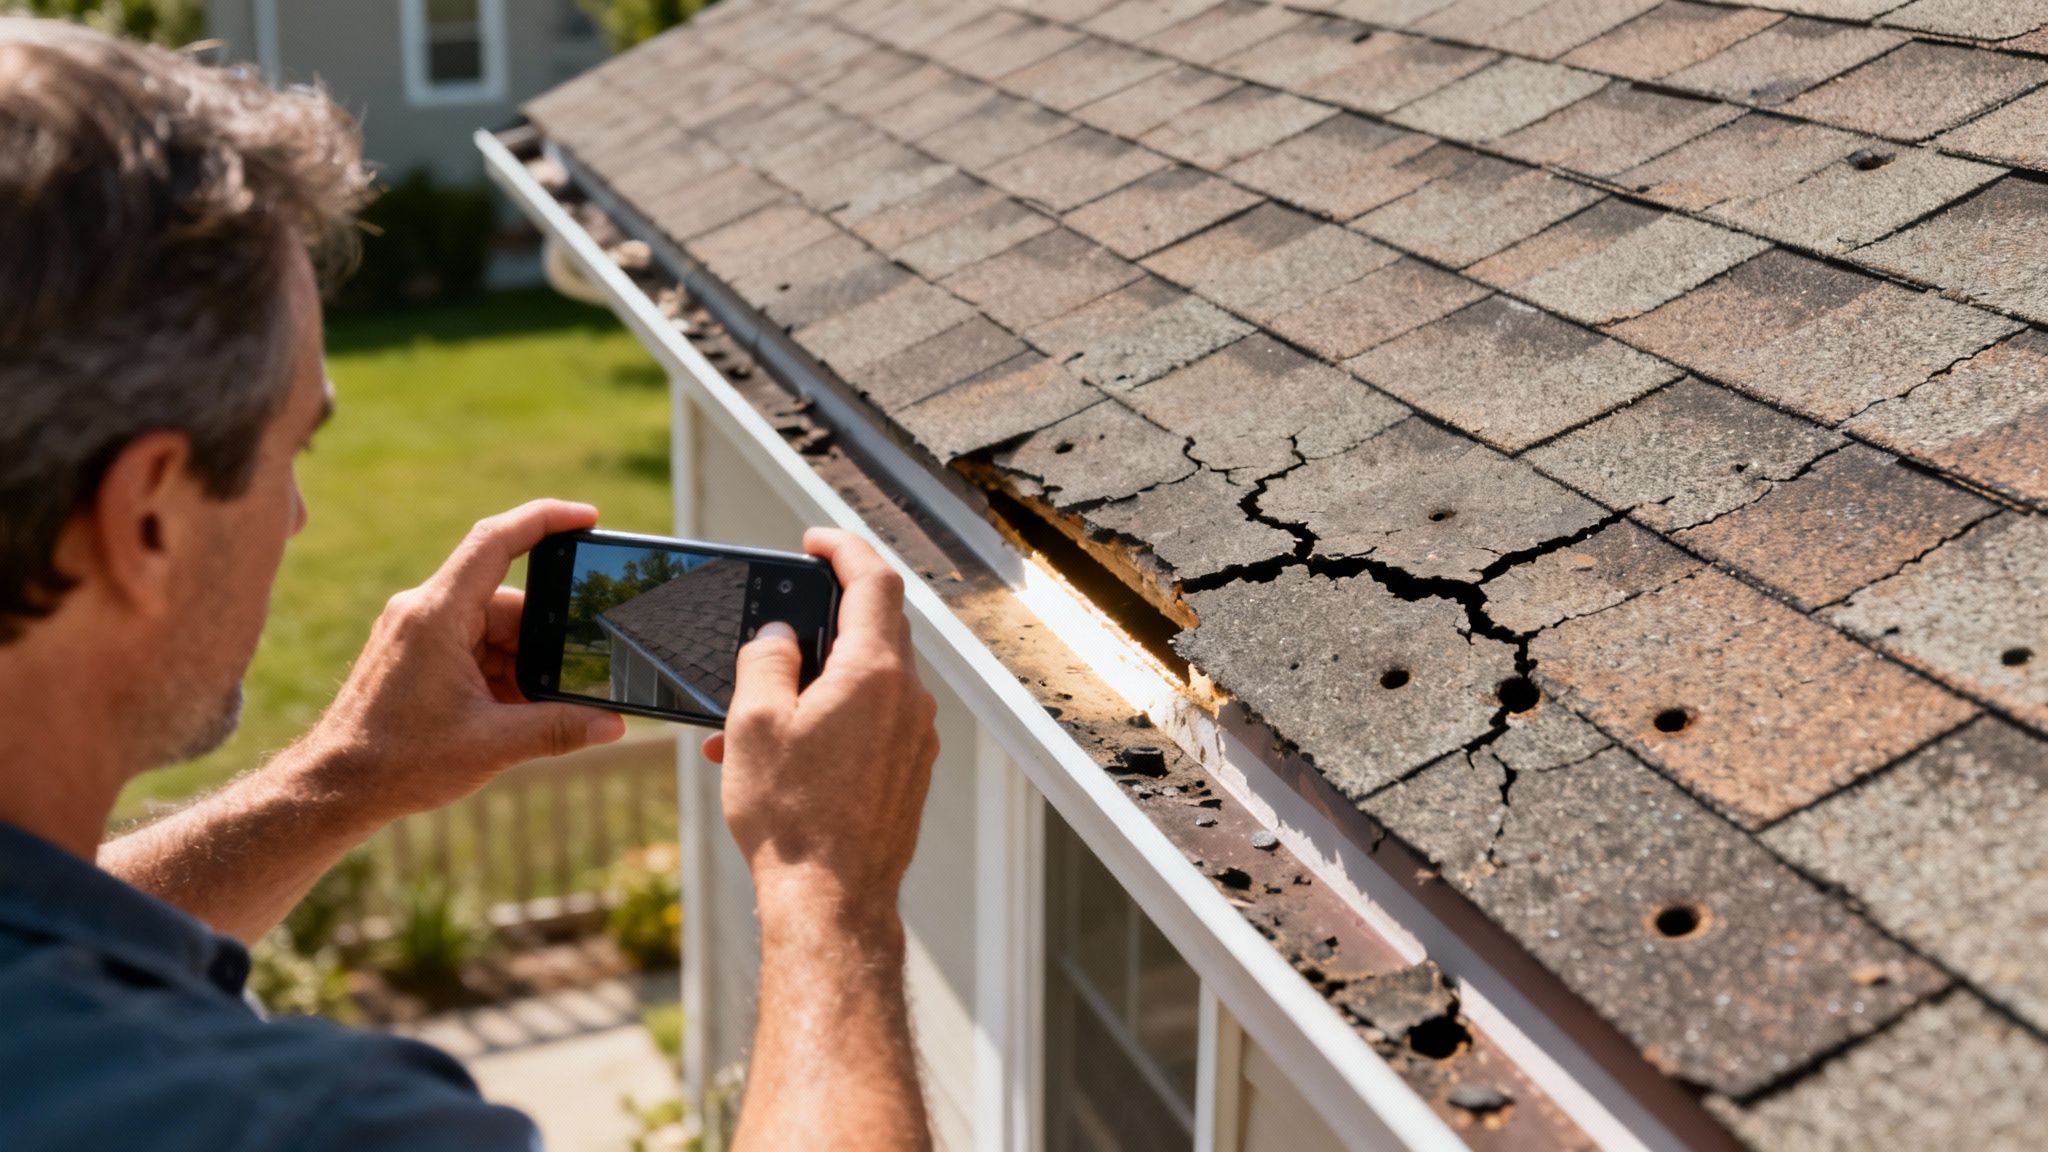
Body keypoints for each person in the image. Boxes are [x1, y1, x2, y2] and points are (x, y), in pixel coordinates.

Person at [0, 17, 940, 1151]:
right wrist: (828, 890)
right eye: (289, 451)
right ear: (146, 516)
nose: (295, 517)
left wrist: (340, 780)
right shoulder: (286, 1126)